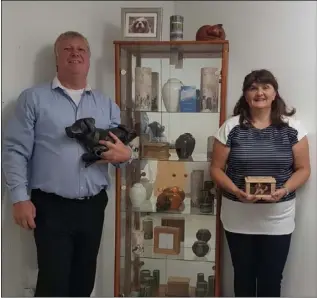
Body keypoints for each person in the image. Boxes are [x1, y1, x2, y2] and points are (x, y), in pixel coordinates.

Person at [2, 31, 133, 297]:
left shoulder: (106, 104)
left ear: (88, 59)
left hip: (93, 206)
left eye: (81, 49)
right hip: (50, 207)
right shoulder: (33, 99)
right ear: (57, 59)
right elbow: (15, 150)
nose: (75, 53)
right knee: (53, 283)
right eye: (68, 49)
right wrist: (19, 198)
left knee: (83, 282)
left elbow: (121, 150)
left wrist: (126, 156)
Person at [210, 69, 311, 297]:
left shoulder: (293, 128)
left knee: (271, 278)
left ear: (275, 93)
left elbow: (304, 169)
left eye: (265, 87)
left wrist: (284, 190)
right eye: (253, 88)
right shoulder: (231, 127)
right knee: (243, 275)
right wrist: (236, 191)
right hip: (238, 217)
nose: (260, 92)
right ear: (245, 95)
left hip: (279, 217)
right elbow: (216, 169)